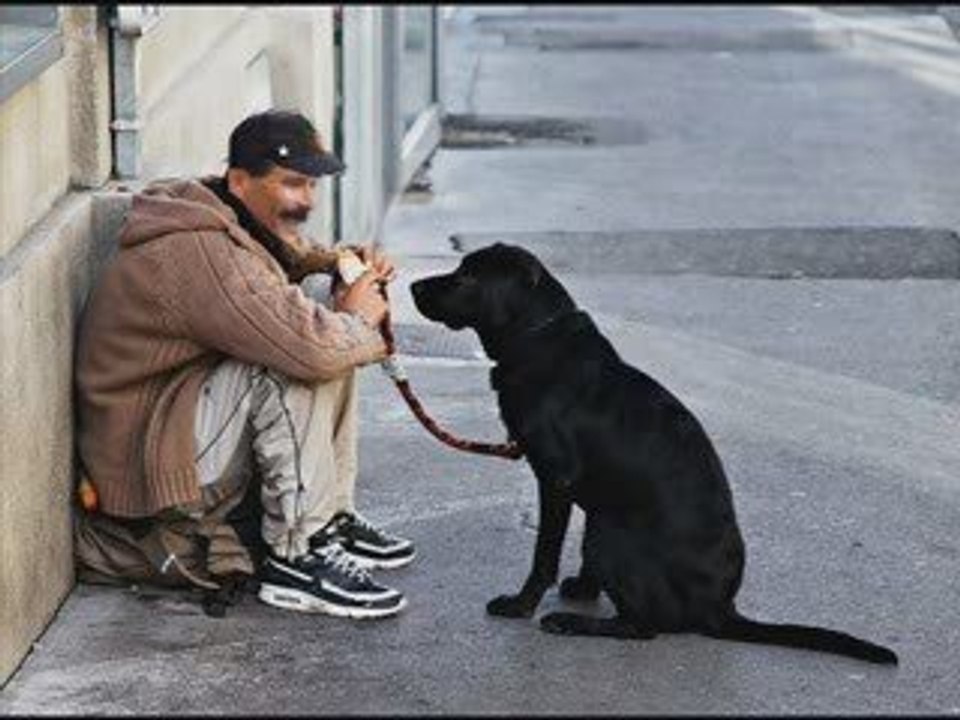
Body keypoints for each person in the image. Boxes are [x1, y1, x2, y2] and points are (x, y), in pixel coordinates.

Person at [73, 109, 413, 619]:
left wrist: (340, 267)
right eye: (292, 184)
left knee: (321, 300)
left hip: (179, 416)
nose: (307, 201)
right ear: (239, 180)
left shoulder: (220, 216)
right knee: (290, 358)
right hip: (147, 458)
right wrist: (363, 321)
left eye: (312, 184)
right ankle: (299, 553)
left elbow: (274, 268)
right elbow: (309, 346)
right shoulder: (198, 249)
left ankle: (328, 517)